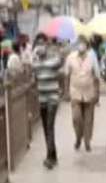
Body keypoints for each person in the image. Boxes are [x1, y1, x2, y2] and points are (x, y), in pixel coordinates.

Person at [32, 33, 63, 169]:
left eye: (42, 43)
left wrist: (54, 48)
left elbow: (61, 60)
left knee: (49, 126)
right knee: (46, 128)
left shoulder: (53, 60)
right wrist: (35, 56)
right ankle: (53, 154)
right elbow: (32, 71)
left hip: (52, 99)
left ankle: (50, 158)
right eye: (38, 43)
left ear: (46, 44)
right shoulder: (36, 62)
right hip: (42, 99)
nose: (40, 46)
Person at [64, 35, 100, 152]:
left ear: (87, 46)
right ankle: (78, 137)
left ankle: (87, 141)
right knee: (76, 118)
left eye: (83, 43)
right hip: (75, 92)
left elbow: (96, 76)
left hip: (89, 92)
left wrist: (97, 93)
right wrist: (66, 92)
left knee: (88, 119)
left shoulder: (92, 58)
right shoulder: (70, 58)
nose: (81, 45)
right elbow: (66, 75)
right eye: (80, 43)